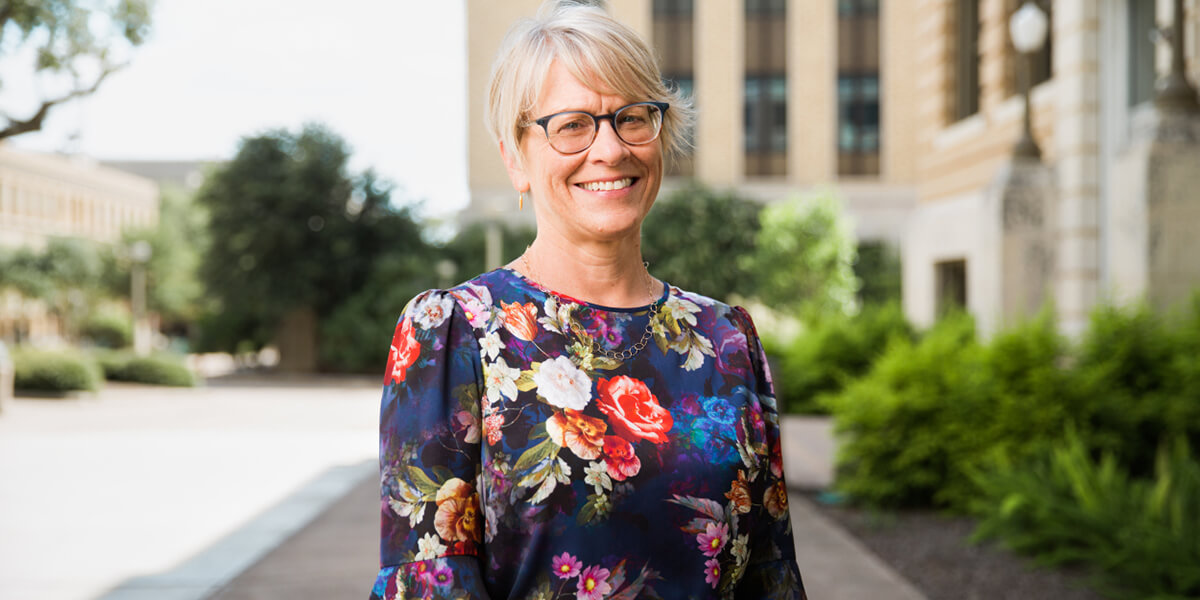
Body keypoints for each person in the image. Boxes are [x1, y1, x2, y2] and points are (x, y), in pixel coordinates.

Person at [370, 2, 807, 598]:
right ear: (515, 157)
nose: (610, 149)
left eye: (631, 118)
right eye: (572, 124)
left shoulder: (728, 339)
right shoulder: (456, 332)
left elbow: (771, 571)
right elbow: (428, 582)